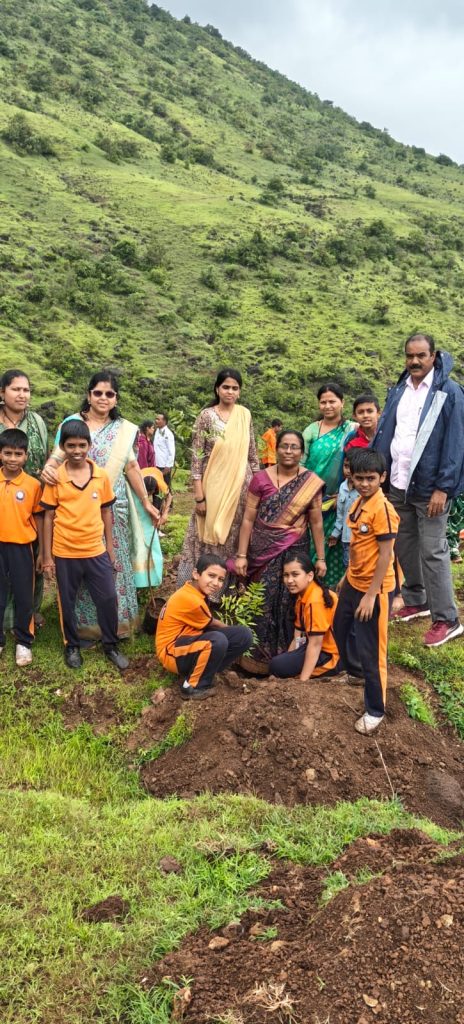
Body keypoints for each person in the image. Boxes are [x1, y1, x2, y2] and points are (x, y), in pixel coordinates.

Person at [41, 371, 159, 639]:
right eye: (98, 393)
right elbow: (57, 457)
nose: (103, 398)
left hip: (112, 507)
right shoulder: (72, 423)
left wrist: (145, 501)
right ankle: (83, 627)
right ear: (89, 395)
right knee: (78, 565)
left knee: (111, 563)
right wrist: (48, 468)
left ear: (116, 398)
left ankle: (117, 624)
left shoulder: (125, 429)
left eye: (109, 394)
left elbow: (131, 467)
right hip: (75, 508)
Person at [373, 333, 464, 647]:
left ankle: (447, 619)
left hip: (430, 488)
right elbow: (389, 432)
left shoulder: (448, 392)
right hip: (399, 483)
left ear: (433, 356)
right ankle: (417, 599)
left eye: (421, 355)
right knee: (406, 544)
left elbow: (456, 443)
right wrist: (381, 474)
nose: (414, 361)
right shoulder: (399, 390)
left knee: (433, 550)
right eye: (409, 356)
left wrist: (443, 488)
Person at [41, 420, 129, 671]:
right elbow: (48, 516)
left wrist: (110, 548)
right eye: (71, 446)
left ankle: (111, 645)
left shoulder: (100, 476)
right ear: (62, 447)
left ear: (89, 446)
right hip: (65, 552)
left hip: (95, 551)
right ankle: (71, 646)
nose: (77, 450)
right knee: (67, 602)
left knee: (108, 598)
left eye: (82, 445)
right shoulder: (56, 477)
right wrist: (47, 557)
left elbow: (106, 512)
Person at [233, 430, 325, 670]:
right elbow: (248, 519)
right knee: (261, 599)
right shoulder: (260, 479)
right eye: (284, 446)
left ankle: (288, 657)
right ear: (276, 449)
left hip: (295, 550)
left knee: (290, 602)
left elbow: (316, 523)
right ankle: (254, 659)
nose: (289, 451)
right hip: (262, 552)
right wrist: (242, 555)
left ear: (302, 452)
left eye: (294, 447)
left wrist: (321, 558)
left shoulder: (310, 483)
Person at [333, 449, 399, 735]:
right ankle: (355, 673)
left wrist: (371, 595)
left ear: (382, 478)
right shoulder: (358, 502)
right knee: (340, 628)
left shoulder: (383, 510)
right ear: (351, 476)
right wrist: (346, 577)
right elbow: (360, 548)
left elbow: (385, 556)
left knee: (372, 650)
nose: (364, 483)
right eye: (359, 478)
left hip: (375, 588)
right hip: (354, 582)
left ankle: (375, 709)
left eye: (370, 478)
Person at [177, 368, 259, 587]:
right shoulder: (206, 416)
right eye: (226, 387)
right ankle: (206, 588)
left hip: (241, 488)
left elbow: (252, 454)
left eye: (235, 388)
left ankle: (230, 589)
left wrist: (258, 487)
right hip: (212, 488)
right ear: (217, 389)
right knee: (211, 535)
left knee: (236, 535)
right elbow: (197, 457)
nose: (230, 392)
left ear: (239, 391)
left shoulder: (245, 415)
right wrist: (199, 497)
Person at [156, 554, 253, 700]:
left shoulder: (193, 590)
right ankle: (193, 686)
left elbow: (209, 622)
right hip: (171, 653)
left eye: (221, 579)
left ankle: (208, 669)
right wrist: (228, 631)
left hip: (186, 642)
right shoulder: (191, 599)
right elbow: (212, 623)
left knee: (244, 635)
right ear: (196, 574)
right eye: (211, 576)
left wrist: (232, 633)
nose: (216, 583)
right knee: (217, 640)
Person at [0, 369, 48, 627]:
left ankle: (30, 610)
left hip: (32, 500)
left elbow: (46, 457)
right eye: (16, 389)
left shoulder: (37, 422)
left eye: (26, 390)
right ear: (2, 392)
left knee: (32, 555)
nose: (22, 394)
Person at [302, 382, 356, 586]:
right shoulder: (311, 430)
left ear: (342, 402)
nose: (327, 406)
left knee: (341, 547)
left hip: (344, 498)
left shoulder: (352, 429)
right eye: (323, 402)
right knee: (313, 546)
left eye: (332, 401)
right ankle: (312, 588)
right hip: (314, 499)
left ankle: (337, 591)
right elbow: (301, 463)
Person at [0, 429, 43, 667]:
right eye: (8, 453)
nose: (13, 459)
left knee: (24, 595)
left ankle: (23, 641)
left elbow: (38, 518)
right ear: (0, 454)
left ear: (26, 456)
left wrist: (42, 551)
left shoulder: (33, 485)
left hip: (22, 547)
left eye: (18, 454)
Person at [269, 553, 341, 681]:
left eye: (295, 575)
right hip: (316, 646)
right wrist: (289, 659)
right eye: (286, 575)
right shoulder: (303, 595)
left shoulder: (315, 601)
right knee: (278, 665)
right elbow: (298, 636)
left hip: (331, 655)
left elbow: (316, 644)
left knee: (277, 666)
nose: (289, 580)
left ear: (310, 576)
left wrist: (302, 680)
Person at [328, 453, 360, 569]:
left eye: (352, 467)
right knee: (348, 566)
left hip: (361, 539)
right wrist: (336, 533)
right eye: (346, 466)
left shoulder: (363, 489)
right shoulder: (342, 487)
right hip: (346, 538)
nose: (348, 471)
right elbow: (341, 514)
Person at [154, 413, 175, 488]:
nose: (156, 421)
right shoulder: (157, 431)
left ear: (164, 421)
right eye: (156, 419)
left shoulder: (168, 434)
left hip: (164, 465)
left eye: (158, 419)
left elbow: (171, 451)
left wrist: (168, 466)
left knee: (165, 487)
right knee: (156, 486)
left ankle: (168, 496)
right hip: (156, 463)